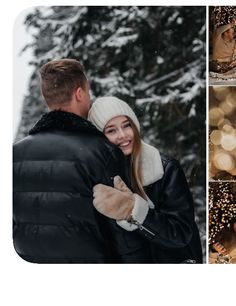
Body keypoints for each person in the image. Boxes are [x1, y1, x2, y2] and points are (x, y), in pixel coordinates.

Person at [13, 59, 147, 263]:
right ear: (79, 94)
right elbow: (119, 227)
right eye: (88, 93)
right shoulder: (102, 151)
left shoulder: (15, 153)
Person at [88, 96, 203, 263]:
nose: (122, 135)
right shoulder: (99, 178)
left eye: (127, 125)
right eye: (111, 130)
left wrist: (134, 211)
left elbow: (181, 233)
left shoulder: (165, 168)